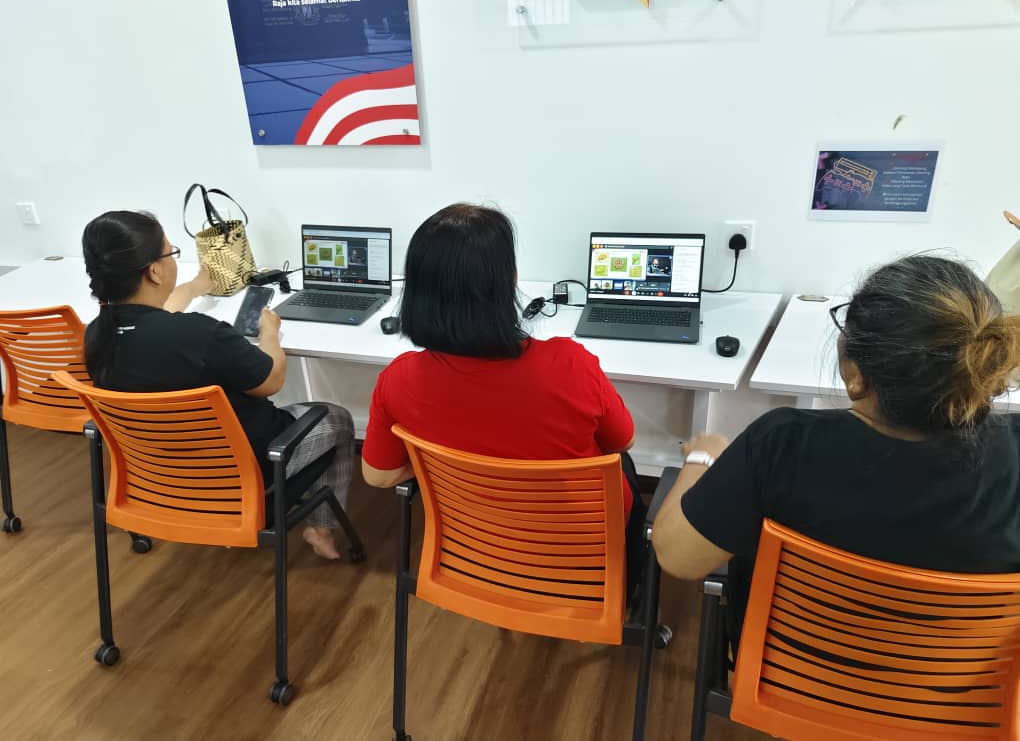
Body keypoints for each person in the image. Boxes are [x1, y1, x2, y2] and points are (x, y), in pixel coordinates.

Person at [652, 255, 1020, 642]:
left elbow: (678, 557)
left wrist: (700, 458)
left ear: (857, 376)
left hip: (786, 668)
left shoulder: (783, 444)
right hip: (959, 679)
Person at [360, 203, 648, 597]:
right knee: (622, 465)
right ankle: (631, 594)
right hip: (583, 552)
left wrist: (447, 467)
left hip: (477, 549)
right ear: (508, 281)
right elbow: (624, 440)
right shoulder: (569, 364)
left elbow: (377, 476)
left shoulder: (398, 379)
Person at [81, 210, 354, 560]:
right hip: (243, 477)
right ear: (154, 271)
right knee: (337, 417)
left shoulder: (97, 336)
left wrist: (196, 286)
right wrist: (270, 334)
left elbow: (159, 315)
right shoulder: (200, 334)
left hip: (159, 481)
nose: (173, 260)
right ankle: (321, 528)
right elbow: (271, 380)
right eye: (171, 253)